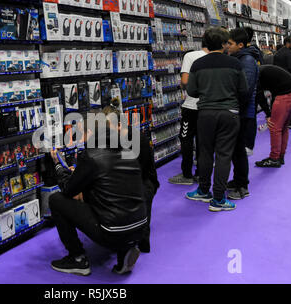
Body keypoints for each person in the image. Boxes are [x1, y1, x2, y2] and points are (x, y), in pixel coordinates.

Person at [48, 113, 147, 276]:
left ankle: (77, 258)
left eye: (82, 133)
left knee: (56, 200)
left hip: (112, 229)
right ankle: (125, 248)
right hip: (140, 226)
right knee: (114, 200)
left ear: (91, 134)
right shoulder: (127, 150)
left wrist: (58, 165)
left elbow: (68, 190)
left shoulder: (92, 155)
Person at [185, 27, 249, 212]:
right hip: (229, 112)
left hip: (205, 113)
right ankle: (219, 198)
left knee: (205, 152)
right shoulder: (235, 64)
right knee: (224, 155)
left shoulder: (198, 64)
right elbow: (244, 90)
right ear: (223, 44)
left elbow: (191, 91)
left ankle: (203, 191)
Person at [103, 100, 160, 253]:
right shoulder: (107, 139)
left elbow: (141, 171)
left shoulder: (137, 139)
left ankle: (142, 236)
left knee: (141, 194)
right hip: (122, 180)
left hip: (143, 180)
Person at [168, 41, 209, 186]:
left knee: (185, 138)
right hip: (207, 106)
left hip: (191, 106)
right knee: (202, 140)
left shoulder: (190, 56)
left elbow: (185, 81)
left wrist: (184, 85)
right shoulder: (215, 57)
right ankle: (200, 173)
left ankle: (186, 174)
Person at [226, 28, 259, 200]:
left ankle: (242, 186)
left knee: (239, 151)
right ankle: (238, 179)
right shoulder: (239, 58)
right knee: (234, 150)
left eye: (230, 44)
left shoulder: (246, 60)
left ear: (240, 45)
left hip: (242, 112)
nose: (227, 46)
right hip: (239, 110)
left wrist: (235, 109)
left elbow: (245, 91)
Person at [255, 65, 291, 167]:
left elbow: (259, 95)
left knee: (274, 127)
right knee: (283, 127)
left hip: (286, 95)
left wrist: (268, 115)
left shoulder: (255, 74)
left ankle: (274, 158)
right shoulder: (264, 70)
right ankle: (280, 156)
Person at [274, 36, 291, 129]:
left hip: (279, 80)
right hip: (289, 81)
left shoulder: (278, 53)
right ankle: (290, 122)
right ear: (287, 43)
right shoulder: (289, 54)